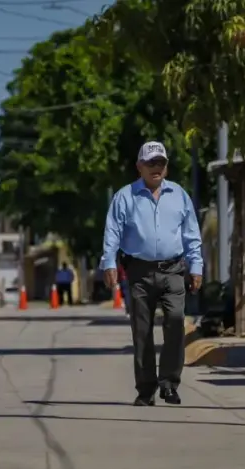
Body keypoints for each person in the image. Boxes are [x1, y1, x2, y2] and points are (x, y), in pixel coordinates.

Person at [101, 141, 203, 406]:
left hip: (173, 270)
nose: (156, 168)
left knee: (176, 321)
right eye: (150, 163)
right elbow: (113, 232)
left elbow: (192, 234)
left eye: (160, 163)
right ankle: (146, 390)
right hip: (140, 273)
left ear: (166, 167)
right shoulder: (125, 196)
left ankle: (169, 384)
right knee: (142, 332)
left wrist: (196, 266)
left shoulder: (179, 195)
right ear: (140, 167)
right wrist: (109, 263)